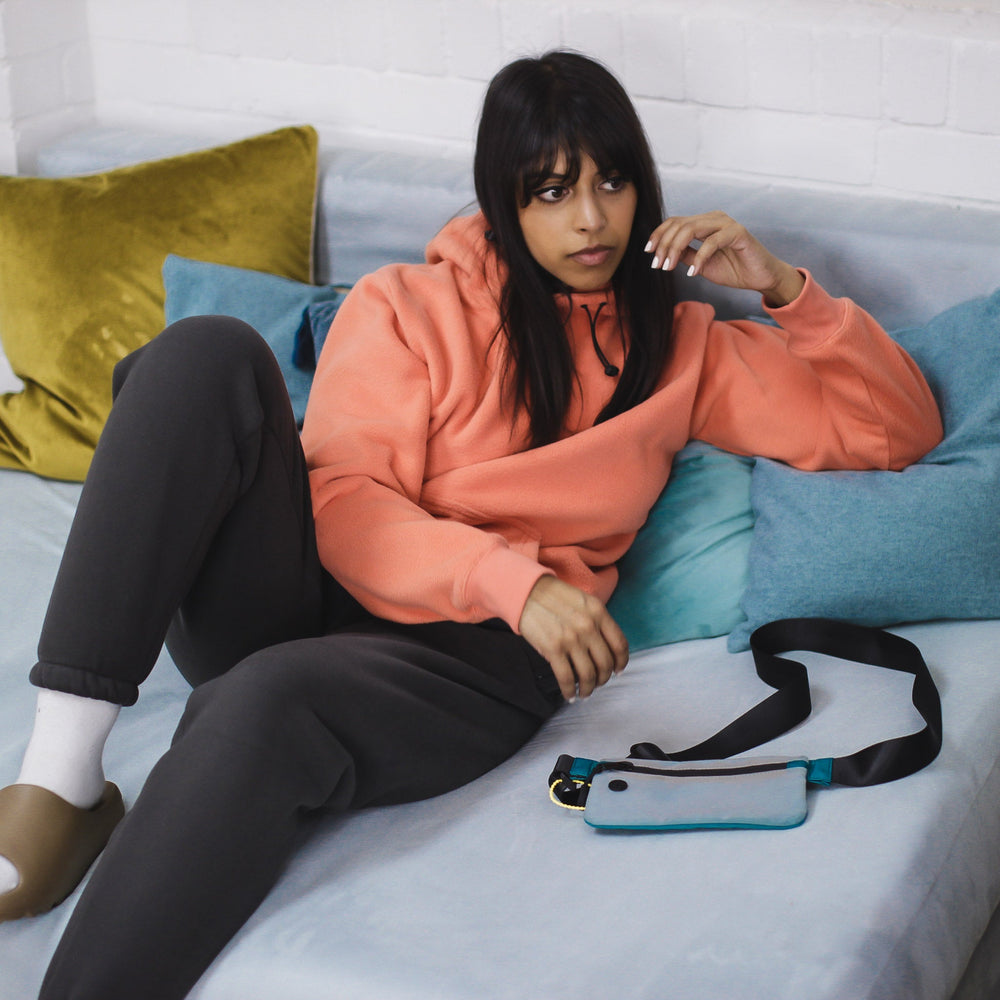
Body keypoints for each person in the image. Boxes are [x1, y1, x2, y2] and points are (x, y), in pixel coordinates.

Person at [0, 50, 942, 999]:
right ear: (504, 198)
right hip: (323, 593)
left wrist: (787, 291)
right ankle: (63, 780)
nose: (590, 218)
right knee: (199, 355)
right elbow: (344, 502)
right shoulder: (407, 308)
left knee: (262, 703)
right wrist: (517, 583)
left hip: (465, 666)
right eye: (552, 190)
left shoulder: (682, 348)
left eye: (613, 182)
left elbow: (894, 431)